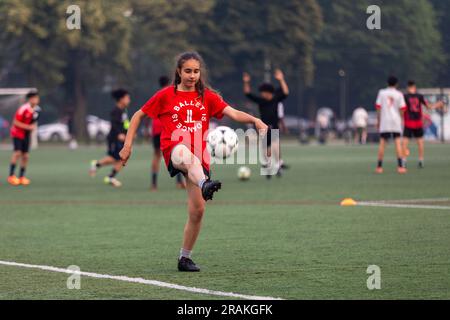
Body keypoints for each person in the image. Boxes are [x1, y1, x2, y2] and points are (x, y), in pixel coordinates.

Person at [119, 52, 268, 272]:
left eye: (196, 71)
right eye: (187, 71)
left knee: (198, 211)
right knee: (186, 156)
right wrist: (127, 145)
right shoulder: (165, 95)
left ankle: (184, 258)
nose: (192, 75)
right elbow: (137, 116)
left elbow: (233, 113)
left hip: (200, 157)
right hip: (175, 148)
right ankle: (204, 184)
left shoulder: (207, 97)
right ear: (179, 71)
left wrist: (255, 120)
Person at [242, 69, 289, 177]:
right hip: (263, 127)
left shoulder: (276, 97)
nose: (261, 94)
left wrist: (281, 79)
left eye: (263, 92)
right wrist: (246, 82)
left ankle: (277, 165)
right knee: (265, 147)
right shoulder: (261, 100)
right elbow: (247, 93)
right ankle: (268, 165)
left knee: (275, 144)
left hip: (274, 126)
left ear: (268, 92)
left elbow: (286, 92)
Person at [150, 76, 186, 190]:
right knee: (178, 154)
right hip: (169, 128)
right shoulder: (171, 94)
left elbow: (149, 112)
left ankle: (154, 184)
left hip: (156, 128)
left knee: (156, 156)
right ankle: (179, 182)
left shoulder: (157, 95)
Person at [89, 89, 130, 187]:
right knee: (118, 158)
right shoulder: (115, 111)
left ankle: (106, 173)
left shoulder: (124, 111)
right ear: (121, 99)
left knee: (122, 158)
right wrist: (119, 134)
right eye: (127, 98)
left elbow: (125, 124)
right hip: (114, 139)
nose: (129, 100)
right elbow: (114, 125)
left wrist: (128, 133)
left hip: (121, 139)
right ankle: (101, 169)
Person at [402, 81, 444, 168]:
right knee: (420, 142)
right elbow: (429, 106)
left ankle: (404, 160)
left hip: (408, 122)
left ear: (408, 87)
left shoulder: (405, 96)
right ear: (414, 87)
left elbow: (401, 109)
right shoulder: (419, 96)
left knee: (405, 142)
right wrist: (437, 105)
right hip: (418, 123)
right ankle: (421, 160)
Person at [375, 76, 407, 174]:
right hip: (395, 121)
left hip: (385, 121)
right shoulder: (399, 94)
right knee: (398, 142)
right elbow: (403, 108)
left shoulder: (382, 92)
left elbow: (378, 107)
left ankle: (379, 167)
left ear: (387, 83)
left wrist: (378, 120)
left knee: (382, 143)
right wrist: (401, 118)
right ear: (396, 84)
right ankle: (400, 167)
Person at [7, 90, 41, 186]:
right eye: (34, 98)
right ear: (30, 99)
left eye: (37, 98)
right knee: (17, 153)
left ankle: (22, 177)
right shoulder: (23, 108)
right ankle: (11, 176)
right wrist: (28, 127)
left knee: (25, 156)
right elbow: (15, 122)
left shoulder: (38, 110)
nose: (36, 100)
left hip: (26, 134)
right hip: (17, 133)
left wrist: (31, 128)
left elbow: (33, 121)